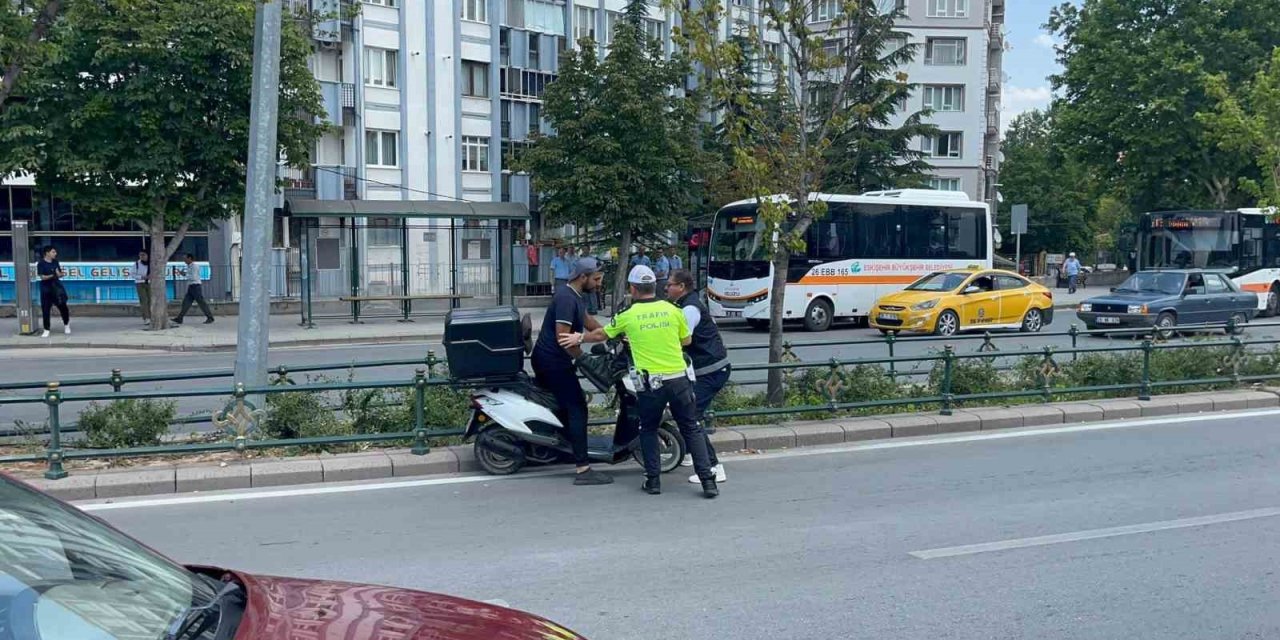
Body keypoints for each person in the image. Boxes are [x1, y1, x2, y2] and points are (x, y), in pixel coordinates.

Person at [560, 265, 720, 498]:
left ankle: (653, 481)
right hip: (679, 380)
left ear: (633, 289)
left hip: (650, 384)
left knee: (648, 429)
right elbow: (686, 341)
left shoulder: (628, 316)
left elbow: (602, 334)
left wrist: (579, 336)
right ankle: (708, 482)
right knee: (691, 428)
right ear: (655, 287)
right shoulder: (673, 310)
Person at [531, 257, 613, 486]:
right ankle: (583, 468)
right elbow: (563, 338)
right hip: (553, 363)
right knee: (578, 407)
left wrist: (612, 333)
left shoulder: (575, 296)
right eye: (596, 279)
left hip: (553, 360)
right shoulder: (566, 299)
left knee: (565, 407)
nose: (598, 284)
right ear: (582, 277)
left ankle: (565, 448)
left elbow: (589, 322)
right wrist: (585, 360)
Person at [666, 269, 729, 484]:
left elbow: (683, 338)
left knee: (691, 416)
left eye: (669, 285)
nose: (666, 288)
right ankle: (689, 452)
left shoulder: (690, 308)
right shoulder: (684, 304)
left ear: (681, 287)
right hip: (709, 370)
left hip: (711, 371)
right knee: (685, 410)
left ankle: (713, 466)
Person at [36, 246, 70, 338]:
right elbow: (42, 277)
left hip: (56, 288)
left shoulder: (55, 262)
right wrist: (53, 275)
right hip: (46, 289)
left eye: (55, 252)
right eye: (53, 252)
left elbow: (59, 274)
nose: (55, 254)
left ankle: (66, 325)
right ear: (47, 253)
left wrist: (60, 274)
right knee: (46, 310)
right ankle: (46, 329)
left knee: (63, 307)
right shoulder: (41, 264)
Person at [171, 254, 214, 325]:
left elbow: (193, 277)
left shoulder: (194, 266)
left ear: (190, 258)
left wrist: (185, 275)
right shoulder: (189, 266)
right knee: (186, 303)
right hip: (191, 287)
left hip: (195, 286)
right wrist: (183, 273)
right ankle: (180, 318)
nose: (184, 261)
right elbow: (189, 275)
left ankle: (210, 317)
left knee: (201, 303)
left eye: (185, 259)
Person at [133, 250, 152, 327]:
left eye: (143, 255)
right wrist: (142, 277)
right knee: (144, 300)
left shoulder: (151, 263)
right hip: (140, 283)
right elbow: (132, 274)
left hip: (149, 283)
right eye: (140, 255)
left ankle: (151, 316)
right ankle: (146, 318)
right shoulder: (137, 264)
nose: (142, 257)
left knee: (150, 300)